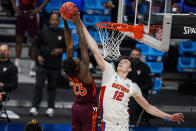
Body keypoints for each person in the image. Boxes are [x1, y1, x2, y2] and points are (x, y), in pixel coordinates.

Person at [71, 12, 184, 131]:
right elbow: (94, 49)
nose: (121, 62)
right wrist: (80, 23)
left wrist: (169, 116)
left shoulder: (132, 86)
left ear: (129, 69)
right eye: (121, 61)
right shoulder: (109, 73)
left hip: (125, 126)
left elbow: (148, 107)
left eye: (125, 62)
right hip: (108, 126)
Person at [62, 16, 98, 130]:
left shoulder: (70, 71)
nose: (76, 58)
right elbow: (83, 46)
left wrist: (65, 23)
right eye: (76, 59)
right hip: (88, 108)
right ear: (77, 65)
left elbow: (69, 43)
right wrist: (78, 24)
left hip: (76, 107)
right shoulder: (83, 73)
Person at [29, 13, 66, 117]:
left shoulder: (62, 33)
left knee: (52, 87)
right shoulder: (43, 31)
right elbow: (35, 45)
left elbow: (68, 47)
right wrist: (38, 56)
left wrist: (61, 50)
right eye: (52, 20)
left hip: (55, 66)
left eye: (56, 20)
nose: (54, 22)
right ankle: (34, 107)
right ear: (50, 21)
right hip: (42, 64)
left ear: (59, 21)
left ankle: (50, 108)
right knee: (38, 86)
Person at [11, 0, 49, 76]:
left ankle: (32, 66)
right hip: (21, 12)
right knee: (19, 39)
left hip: (31, 13)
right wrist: (14, 6)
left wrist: (39, 9)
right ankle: (17, 64)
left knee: (33, 41)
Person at [127, 47, 153, 125]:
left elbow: (149, 84)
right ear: (130, 55)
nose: (135, 57)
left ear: (140, 56)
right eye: (133, 55)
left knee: (133, 98)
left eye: (137, 55)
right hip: (125, 90)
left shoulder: (145, 67)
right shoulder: (125, 66)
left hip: (140, 93)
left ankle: (130, 120)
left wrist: (136, 90)